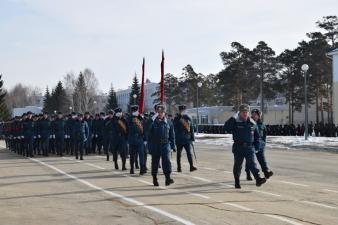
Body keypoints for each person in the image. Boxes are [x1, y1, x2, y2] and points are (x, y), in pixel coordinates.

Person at [224, 104, 266, 189]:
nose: (245, 114)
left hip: (249, 147)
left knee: (252, 164)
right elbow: (226, 128)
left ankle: (258, 179)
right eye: (243, 112)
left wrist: (257, 147)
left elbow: (257, 136)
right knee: (238, 165)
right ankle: (237, 181)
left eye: (246, 112)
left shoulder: (252, 122)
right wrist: (233, 117)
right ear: (239, 113)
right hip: (238, 147)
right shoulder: (235, 121)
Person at [148, 104, 176, 186]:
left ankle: (168, 178)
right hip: (155, 144)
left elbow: (172, 135)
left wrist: (173, 146)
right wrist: (152, 119)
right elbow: (147, 129)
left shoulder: (168, 122)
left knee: (167, 161)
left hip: (165, 144)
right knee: (155, 163)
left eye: (162, 112)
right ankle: (154, 178)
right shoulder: (153, 122)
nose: (160, 114)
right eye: (158, 112)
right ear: (156, 112)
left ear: (164, 113)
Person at [245, 109, 273, 181]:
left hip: (260, 145)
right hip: (252, 144)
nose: (254, 116)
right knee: (251, 160)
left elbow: (264, 135)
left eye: (255, 114)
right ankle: (248, 173)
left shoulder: (261, 124)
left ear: (259, 115)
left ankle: (266, 172)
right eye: (253, 114)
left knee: (262, 159)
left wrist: (263, 143)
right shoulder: (249, 123)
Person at [173, 105, 197, 172]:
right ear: (179, 110)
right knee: (179, 154)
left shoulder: (188, 118)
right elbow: (174, 128)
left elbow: (191, 128)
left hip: (187, 139)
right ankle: (179, 167)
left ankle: (191, 166)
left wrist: (192, 138)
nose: (182, 111)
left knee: (189, 153)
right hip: (179, 139)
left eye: (183, 110)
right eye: (181, 110)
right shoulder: (176, 118)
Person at [128, 105, 146, 175]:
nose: (136, 112)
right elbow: (129, 127)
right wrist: (134, 117)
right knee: (132, 155)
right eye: (134, 111)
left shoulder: (141, 118)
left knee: (141, 155)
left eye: (136, 110)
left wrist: (145, 139)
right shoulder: (129, 118)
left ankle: (142, 169)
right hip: (132, 139)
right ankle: (132, 168)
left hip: (140, 139)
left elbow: (144, 128)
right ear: (132, 111)